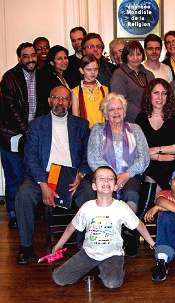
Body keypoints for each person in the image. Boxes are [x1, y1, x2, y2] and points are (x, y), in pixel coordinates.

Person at [15, 85, 95, 265]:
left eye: (65, 99)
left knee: (89, 195)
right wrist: (43, 184)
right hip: (43, 174)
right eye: (56, 98)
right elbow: (30, 157)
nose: (60, 102)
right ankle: (26, 246)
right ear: (50, 100)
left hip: (72, 175)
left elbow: (87, 156)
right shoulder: (36, 125)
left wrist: (81, 175)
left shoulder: (81, 125)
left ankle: (85, 247)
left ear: (69, 102)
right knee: (23, 195)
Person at [52, 165, 155, 288]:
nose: (106, 181)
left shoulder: (121, 207)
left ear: (116, 186)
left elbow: (140, 225)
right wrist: (59, 244)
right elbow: (71, 227)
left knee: (113, 283)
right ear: (94, 186)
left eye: (110, 179)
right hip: (88, 253)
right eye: (101, 178)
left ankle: (112, 268)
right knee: (59, 278)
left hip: (113, 254)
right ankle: (93, 266)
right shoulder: (87, 207)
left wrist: (153, 243)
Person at [87, 92, 150, 256]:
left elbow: (144, 158)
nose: (116, 112)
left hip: (130, 175)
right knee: (102, 191)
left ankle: (128, 233)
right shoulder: (97, 130)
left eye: (119, 108)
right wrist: (112, 177)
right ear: (105, 113)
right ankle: (107, 235)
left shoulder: (135, 129)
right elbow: (93, 158)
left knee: (131, 192)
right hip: (105, 177)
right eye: (111, 109)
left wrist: (127, 174)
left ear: (124, 110)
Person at [0, 42, 49, 229]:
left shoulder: (42, 75)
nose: (30, 59)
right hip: (11, 135)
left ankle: (30, 213)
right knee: (14, 177)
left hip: (32, 135)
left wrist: (36, 132)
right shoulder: (10, 78)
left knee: (31, 175)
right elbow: (10, 109)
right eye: (25, 56)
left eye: (33, 55)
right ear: (19, 58)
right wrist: (28, 131)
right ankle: (13, 213)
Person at [136, 78, 175, 194]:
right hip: (150, 162)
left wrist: (156, 150)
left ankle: (151, 210)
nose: (160, 98)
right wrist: (158, 157)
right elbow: (138, 149)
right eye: (156, 93)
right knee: (152, 172)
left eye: (164, 94)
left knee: (158, 173)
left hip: (173, 162)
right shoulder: (141, 118)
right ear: (149, 95)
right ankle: (151, 210)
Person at [110, 40, 154, 122]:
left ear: (143, 55)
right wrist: (141, 116)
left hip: (150, 120)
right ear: (126, 56)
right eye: (131, 55)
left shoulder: (149, 75)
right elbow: (120, 101)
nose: (136, 58)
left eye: (138, 54)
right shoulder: (119, 74)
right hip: (129, 121)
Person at [72, 54, 108, 128]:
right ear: (81, 70)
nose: (93, 72)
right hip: (85, 131)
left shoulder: (105, 89)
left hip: (102, 130)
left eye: (95, 69)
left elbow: (108, 113)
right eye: (89, 69)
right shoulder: (75, 91)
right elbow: (75, 118)